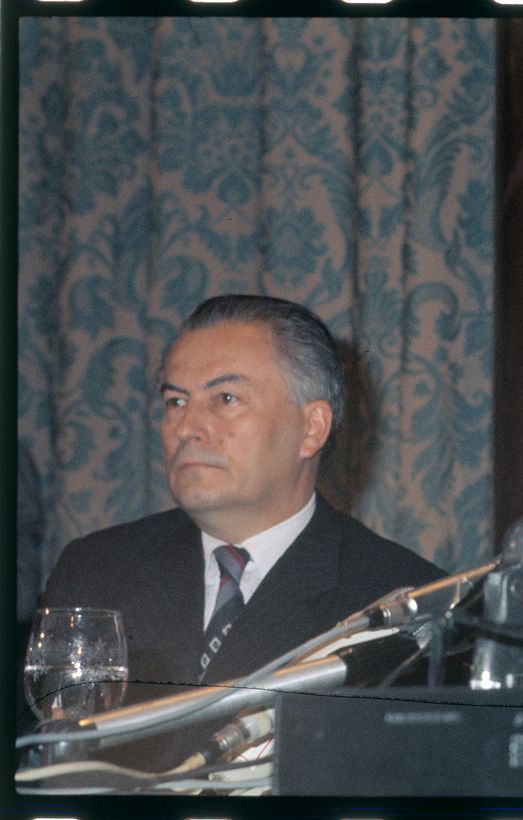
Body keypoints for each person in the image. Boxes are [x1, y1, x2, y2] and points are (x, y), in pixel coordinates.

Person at [39, 294, 444, 768]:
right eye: (175, 401)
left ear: (312, 428)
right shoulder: (97, 569)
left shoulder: (407, 603)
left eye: (225, 399)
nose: (187, 426)